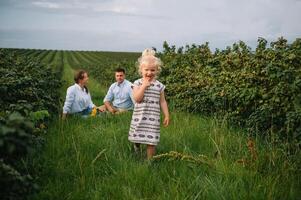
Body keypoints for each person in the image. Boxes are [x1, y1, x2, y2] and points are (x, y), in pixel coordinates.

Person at [128, 48, 170, 160]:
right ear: (141, 70)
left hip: (153, 118)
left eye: (152, 70)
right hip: (140, 117)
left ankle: (149, 162)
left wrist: (166, 115)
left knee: (152, 141)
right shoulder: (137, 83)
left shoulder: (159, 86)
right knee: (137, 137)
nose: (149, 73)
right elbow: (137, 99)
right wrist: (143, 86)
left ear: (157, 70)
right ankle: (136, 147)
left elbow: (162, 101)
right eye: (146, 70)